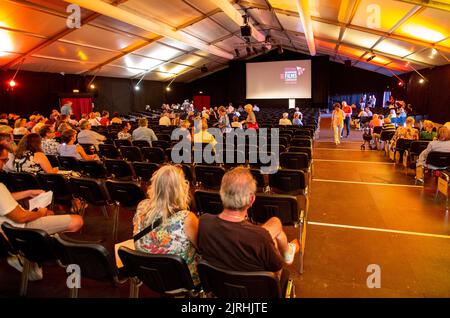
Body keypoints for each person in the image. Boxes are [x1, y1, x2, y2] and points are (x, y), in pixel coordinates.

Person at [197, 167, 299, 291]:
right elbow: (277, 268)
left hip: (220, 289)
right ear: (251, 200)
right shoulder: (260, 236)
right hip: (257, 292)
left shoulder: (204, 222)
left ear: (221, 194)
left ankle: (288, 250)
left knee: (275, 223)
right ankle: (288, 251)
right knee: (274, 236)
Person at [0, 144, 83, 281]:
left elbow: (4, 198)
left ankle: (34, 250)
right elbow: (21, 218)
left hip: (8, 228)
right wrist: (41, 213)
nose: (5, 163)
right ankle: (29, 253)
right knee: (77, 221)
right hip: (17, 230)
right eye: (2, 160)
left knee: (49, 214)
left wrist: (28, 192)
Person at [133, 165, 200, 284]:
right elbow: (202, 247)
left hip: (148, 272)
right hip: (180, 279)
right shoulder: (186, 218)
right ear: (181, 188)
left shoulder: (141, 206)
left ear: (155, 186)